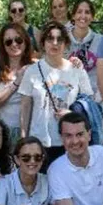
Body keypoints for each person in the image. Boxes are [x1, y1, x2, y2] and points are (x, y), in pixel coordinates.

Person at [19, 22, 92, 168]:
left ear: (66, 44)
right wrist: (23, 138)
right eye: (50, 38)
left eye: (60, 39)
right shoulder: (32, 71)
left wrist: (72, 114)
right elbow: (25, 108)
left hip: (70, 142)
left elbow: (88, 103)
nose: (55, 43)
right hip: (39, 141)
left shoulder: (77, 70)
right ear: (43, 43)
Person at [0, 23, 34, 144]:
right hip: (1, 136)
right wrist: (15, 83)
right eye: (8, 42)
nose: (14, 44)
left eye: (18, 40)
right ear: (3, 46)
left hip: (31, 133)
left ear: (26, 41)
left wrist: (74, 63)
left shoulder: (35, 67)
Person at [68, 0, 102, 92]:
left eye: (87, 12)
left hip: (93, 94)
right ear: (73, 16)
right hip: (68, 93)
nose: (83, 16)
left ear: (92, 17)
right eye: (79, 12)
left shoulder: (101, 41)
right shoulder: (62, 39)